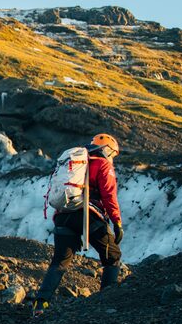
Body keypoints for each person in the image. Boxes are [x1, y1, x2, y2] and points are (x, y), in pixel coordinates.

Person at [31, 133, 124, 314]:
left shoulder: (76, 163)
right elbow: (109, 195)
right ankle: (106, 302)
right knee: (112, 257)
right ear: (107, 150)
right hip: (88, 214)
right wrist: (117, 222)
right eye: (113, 154)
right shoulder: (103, 164)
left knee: (60, 262)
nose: (112, 158)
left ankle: (40, 304)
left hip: (63, 215)